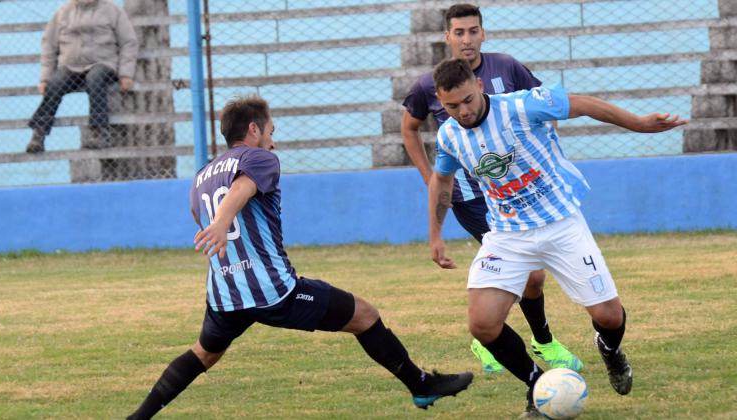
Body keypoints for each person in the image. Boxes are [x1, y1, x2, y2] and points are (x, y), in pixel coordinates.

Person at [126, 96, 474, 419]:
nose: (272, 141)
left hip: (225, 294)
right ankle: (422, 385)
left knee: (204, 354)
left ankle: (137, 417)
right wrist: (222, 221)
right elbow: (242, 187)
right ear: (253, 129)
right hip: (274, 292)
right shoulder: (259, 158)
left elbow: (194, 211)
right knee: (365, 315)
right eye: (270, 131)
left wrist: (217, 224)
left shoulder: (202, 174)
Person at [427, 58, 686, 416]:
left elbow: (583, 104)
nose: (463, 111)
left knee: (609, 317)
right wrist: (435, 234)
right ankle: (538, 388)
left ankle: (610, 351)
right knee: (483, 324)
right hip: (507, 235)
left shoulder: (523, 105)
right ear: (441, 101)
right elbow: (442, 179)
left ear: (480, 87)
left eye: (468, 100)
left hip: (560, 222)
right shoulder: (449, 135)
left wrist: (638, 124)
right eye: (451, 106)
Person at [402, 3, 581, 374]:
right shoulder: (429, 85)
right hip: (471, 197)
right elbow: (409, 127)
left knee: (532, 274)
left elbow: (543, 109)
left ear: (483, 33)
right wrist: (431, 179)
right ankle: (532, 341)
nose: (466, 39)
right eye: (459, 32)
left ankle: (497, 336)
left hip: (518, 190)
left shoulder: (508, 67)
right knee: (529, 271)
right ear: (447, 36)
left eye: (472, 31)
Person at [25, 0, 138, 153]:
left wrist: (126, 74)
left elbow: (129, 42)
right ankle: (38, 134)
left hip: (103, 64)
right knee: (56, 83)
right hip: (71, 67)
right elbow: (49, 45)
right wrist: (45, 79)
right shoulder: (63, 12)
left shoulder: (112, 10)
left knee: (95, 78)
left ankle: (100, 132)